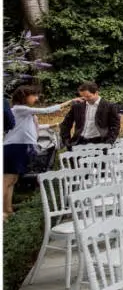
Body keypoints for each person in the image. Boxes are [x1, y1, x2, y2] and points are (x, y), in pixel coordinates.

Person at [5, 87, 74, 219]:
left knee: (12, 180)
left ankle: (8, 210)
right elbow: (47, 110)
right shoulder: (20, 108)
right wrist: (70, 101)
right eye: (34, 95)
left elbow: (30, 127)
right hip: (15, 147)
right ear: (25, 96)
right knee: (7, 180)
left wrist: (51, 126)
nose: (36, 98)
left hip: (20, 146)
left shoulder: (23, 112)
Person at [58, 82, 121, 147]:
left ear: (96, 93)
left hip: (100, 142)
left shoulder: (109, 106)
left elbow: (115, 125)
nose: (85, 99)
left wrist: (109, 142)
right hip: (79, 141)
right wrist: (66, 141)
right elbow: (65, 124)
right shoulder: (77, 106)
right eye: (83, 96)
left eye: (88, 96)